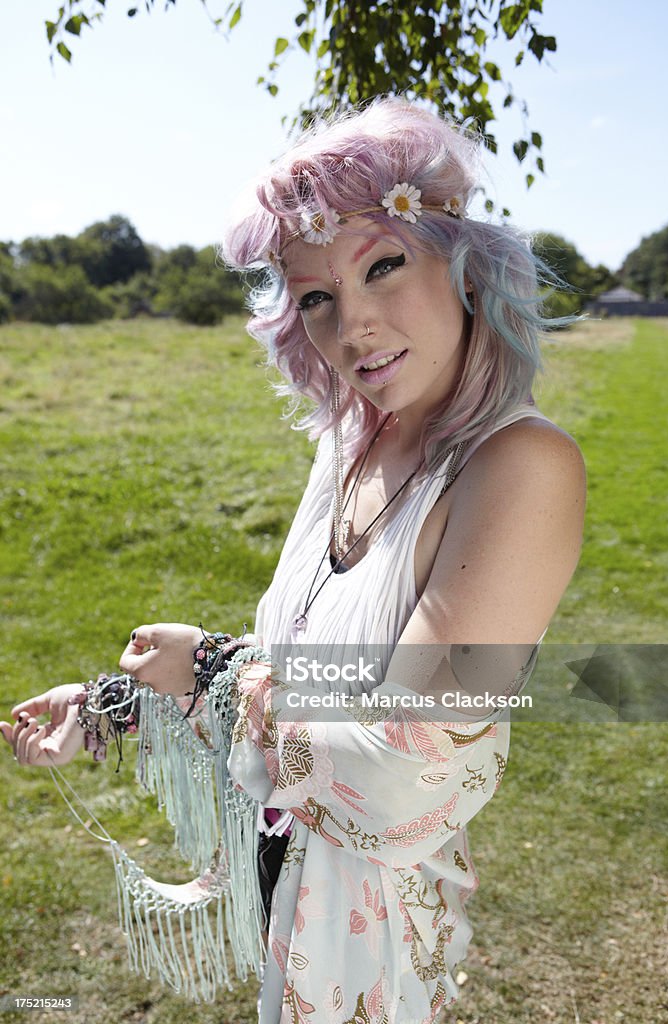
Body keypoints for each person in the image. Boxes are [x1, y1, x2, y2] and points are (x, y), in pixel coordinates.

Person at [1, 99, 585, 1023]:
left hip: (377, 950)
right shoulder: (351, 442)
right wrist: (116, 708)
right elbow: (315, 675)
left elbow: (409, 769)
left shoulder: (519, 469)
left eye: (383, 266)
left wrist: (210, 671)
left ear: (465, 268)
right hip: (295, 899)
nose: (353, 326)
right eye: (316, 297)